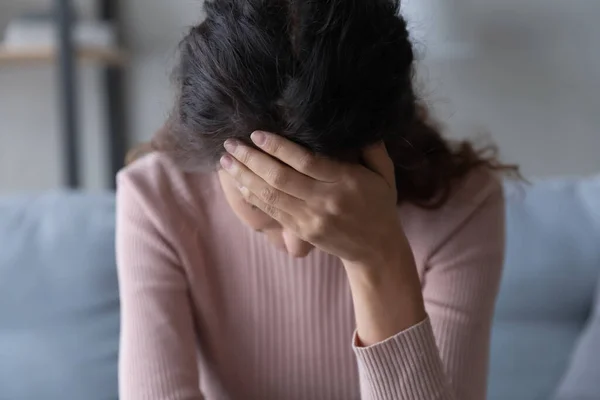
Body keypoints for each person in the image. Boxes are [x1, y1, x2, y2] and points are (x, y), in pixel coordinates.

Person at [117, 1, 516, 399]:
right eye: (266, 205)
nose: (298, 246)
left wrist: (379, 259)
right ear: (212, 156)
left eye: (331, 198)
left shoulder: (463, 207)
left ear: (383, 147)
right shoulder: (157, 200)